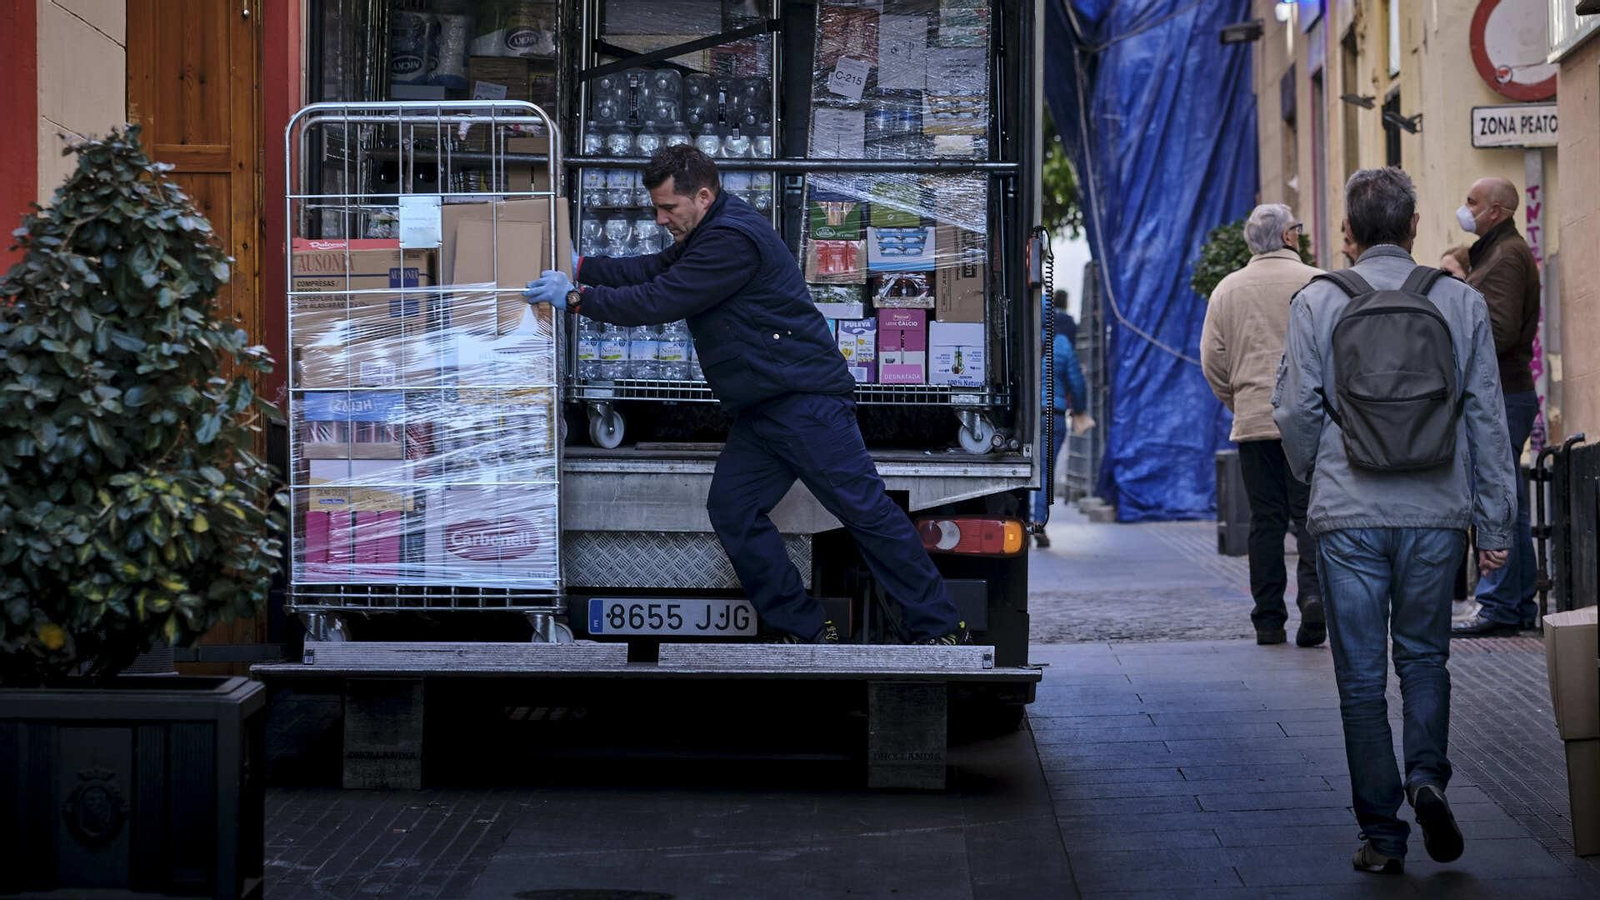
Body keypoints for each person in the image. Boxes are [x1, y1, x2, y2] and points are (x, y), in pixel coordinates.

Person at [523, 145, 965, 645]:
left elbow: (661, 297)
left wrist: (577, 299)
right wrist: (583, 266)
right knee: (733, 509)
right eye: (656, 207)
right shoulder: (710, 230)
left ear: (703, 196)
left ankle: (940, 627)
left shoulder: (731, 240)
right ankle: (804, 628)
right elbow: (653, 269)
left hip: (804, 401)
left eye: (668, 207)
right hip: (765, 407)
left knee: (866, 512)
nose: (660, 217)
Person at [1274, 167, 1516, 874]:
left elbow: (1294, 410)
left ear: (1348, 234)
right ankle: (1428, 779)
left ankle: (1382, 835)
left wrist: (1320, 473)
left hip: (1349, 515)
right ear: (1413, 228)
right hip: (1436, 512)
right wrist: (1495, 525)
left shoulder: (1318, 300)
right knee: (1423, 658)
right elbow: (1486, 420)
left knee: (1358, 679)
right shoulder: (1457, 301)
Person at [1201, 203, 1325, 647]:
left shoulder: (1227, 289)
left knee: (1265, 520)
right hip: (1309, 421)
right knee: (1312, 516)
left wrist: (1238, 400)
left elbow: (1212, 359)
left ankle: (1268, 619)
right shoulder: (1318, 281)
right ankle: (1312, 596)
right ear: (1290, 235)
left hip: (1253, 419)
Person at [1452, 177, 1541, 637]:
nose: (1464, 209)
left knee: (1493, 494)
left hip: (1501, 393)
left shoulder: (1505, 257)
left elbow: (1499, 330)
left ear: (1497, 211)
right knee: (1509, 499)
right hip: (1508, 391)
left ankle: (1498, 603)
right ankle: (1515, 603)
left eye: (1472, 202)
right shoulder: (1495, 251)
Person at [1030, 289, 1092, 550]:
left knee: (1021, 471)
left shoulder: (1023, 340)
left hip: (1025, 420)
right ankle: (1038, 524)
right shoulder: (1063, 345)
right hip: (1052, 416)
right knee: (1045, 473)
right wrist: (1079, 409)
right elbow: (1077, 384)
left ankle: (1017, 521)